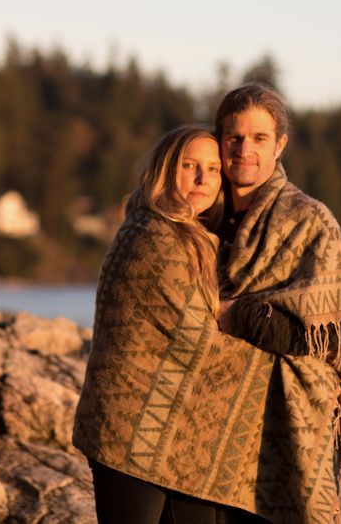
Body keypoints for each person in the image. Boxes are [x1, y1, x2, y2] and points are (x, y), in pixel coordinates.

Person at [73, 125, 268, 523]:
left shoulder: (192, 236)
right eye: (190, 166)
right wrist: (282, 356)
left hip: (179, 432)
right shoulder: (151, 235)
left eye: (214, 169)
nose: (203, 179)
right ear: (165, 169)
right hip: (128, 432)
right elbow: (195, 338)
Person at [214, 83, 341, 523]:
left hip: (286, 423)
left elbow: (331, 331)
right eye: (234, 138)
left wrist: (236, 314)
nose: (244, 149)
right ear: (220, 141)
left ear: (279, 145)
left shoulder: (309, 220)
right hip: (210, 422)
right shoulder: (201, 221)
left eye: (259, 138)